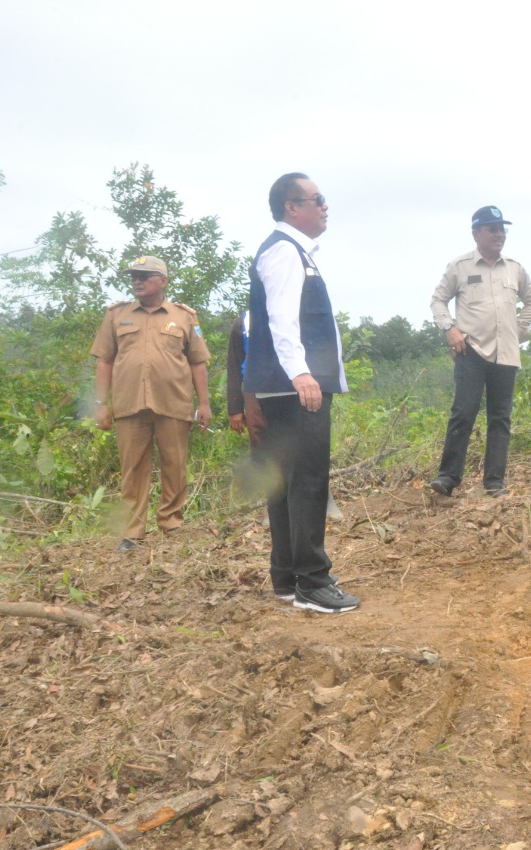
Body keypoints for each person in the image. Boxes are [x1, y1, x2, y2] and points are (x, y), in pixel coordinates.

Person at [244, 172, 359, 613]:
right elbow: (281, 320)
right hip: (295, 388)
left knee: (287, 482)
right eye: (317, 199)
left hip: (284, 386)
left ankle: (287, 577)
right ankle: (313, 581)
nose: (324, 206)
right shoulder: (284, 251)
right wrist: (302, 374)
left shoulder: (292, 252)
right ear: (292, 207)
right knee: (307, 481)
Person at [90, 256, 211, 550]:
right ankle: (132, 532)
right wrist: (100, 403)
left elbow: (197, 363)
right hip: (129, 405)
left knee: (175, 464)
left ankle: (171, 525)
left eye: (145, 276)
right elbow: (105, 361)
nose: (137, 281)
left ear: (163, 281)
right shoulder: (116, 315)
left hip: (174, 403)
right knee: (132, 468)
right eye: (134, 276)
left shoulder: (184, 317)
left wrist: (204, 404)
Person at [428, 206, 531, 497]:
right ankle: (448, 478)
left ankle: (494, 482)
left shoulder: (514, 267)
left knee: (500, 418)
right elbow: (438, 300)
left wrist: (520, 329)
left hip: (506, 353)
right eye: (492, 229)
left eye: (502, 229)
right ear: (476, 233)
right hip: (472, 351)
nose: (499, 234)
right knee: (463, 413)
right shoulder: (460, 266)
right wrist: (449, 329)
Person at [227, 311, 342, 519]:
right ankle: (276, 507)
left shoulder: (294, 314)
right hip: (255, 388)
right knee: (262, 442)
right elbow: (235, 363)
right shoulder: (244, 322)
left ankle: (321, 500)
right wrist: (234, 408)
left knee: (305, 441)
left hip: (290, 384)